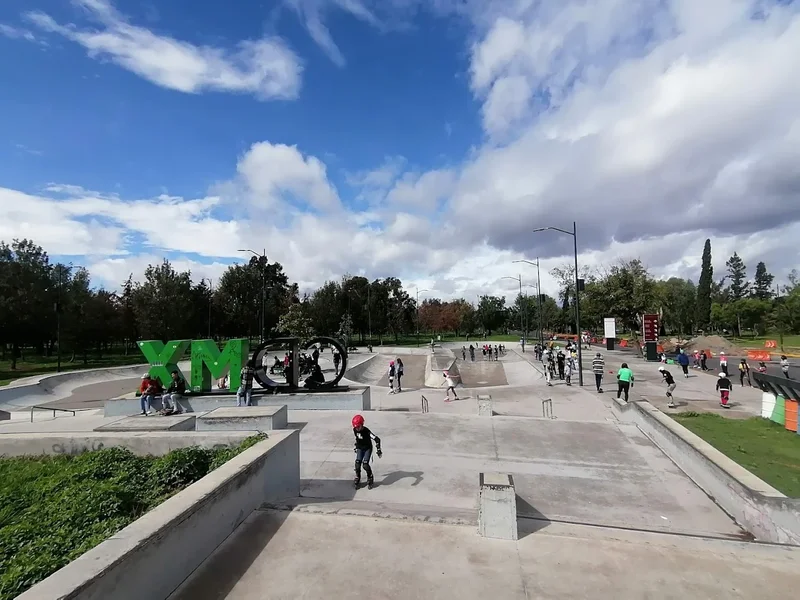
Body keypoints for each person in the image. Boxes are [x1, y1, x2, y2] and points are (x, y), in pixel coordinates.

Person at [352, 414, 382, 489]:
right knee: (357, 464)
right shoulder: (355, 430)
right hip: (360, 448)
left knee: (365, 465)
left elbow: (377, 439)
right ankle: (358, 477)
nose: (357, 429)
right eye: (355, 427)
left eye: (358, 427)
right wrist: (356, 446)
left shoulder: (367, 432)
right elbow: (358, 438)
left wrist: (379, 450)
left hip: (367, 448)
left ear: (362, 424)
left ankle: (370, 477)